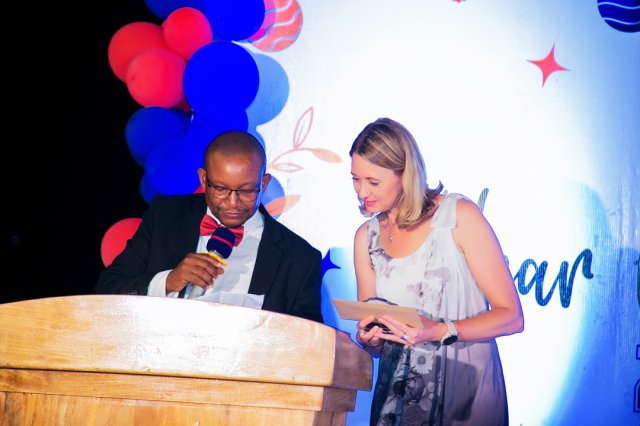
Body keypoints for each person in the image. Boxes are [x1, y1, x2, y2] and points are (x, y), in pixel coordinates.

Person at [349, 118, 524, 425]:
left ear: (406, 174)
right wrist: (371, 339)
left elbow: (512, 317)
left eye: (373, 182)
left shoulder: (459, 217)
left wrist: (438, 330)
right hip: (397, 401)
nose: (362, 191)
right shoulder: (366, 237)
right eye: (355, 179)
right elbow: (374, 332)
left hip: (464, 395)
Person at [94, 130, 323, 323]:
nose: (232, 203)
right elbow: (106, 290)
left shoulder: (300, 259)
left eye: (246, 191)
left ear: (263, 183)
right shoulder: (166, 217)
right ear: (203, 179)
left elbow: (309, 344)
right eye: (221, 189)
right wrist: (168, 281)